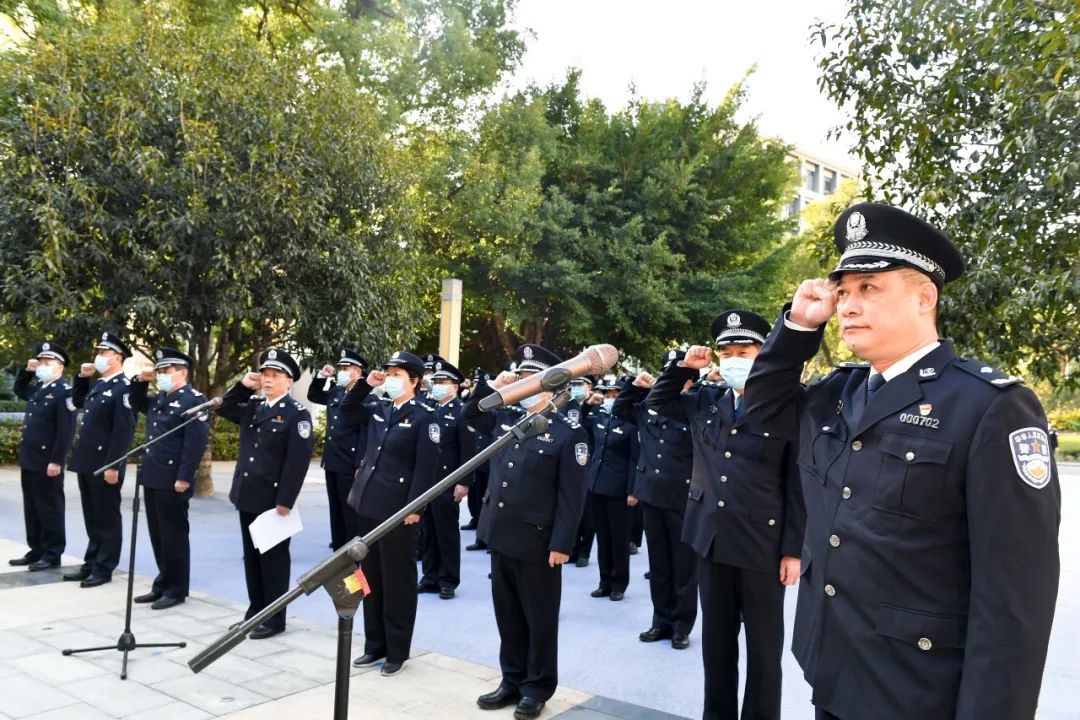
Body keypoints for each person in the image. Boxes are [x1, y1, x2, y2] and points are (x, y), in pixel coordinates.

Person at [745, 203, 1061, 720]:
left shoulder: (990, 406)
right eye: (843, 292)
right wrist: (799, 326)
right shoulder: (838, 393)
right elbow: (762, 408)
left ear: (924, 297)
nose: (848, 306)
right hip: (833, 671)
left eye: (869, 287)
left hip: (916, 690)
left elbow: (1013, 600)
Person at [650, 311, 804, 719]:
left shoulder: (786, 405)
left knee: (764, 652)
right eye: (728, 353)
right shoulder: (706, 400)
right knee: (716, 646)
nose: (734, 359)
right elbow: (657, 402)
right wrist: (684, 367)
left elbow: (797, 483)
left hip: (762, 546)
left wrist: (793, 549)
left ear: (763, 356)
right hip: (711, 540)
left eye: (744, 352)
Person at [466, 344, 589, 720]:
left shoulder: (569, 432)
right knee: (508, 615)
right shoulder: (507, 420)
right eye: (520, 376)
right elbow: (470, 415)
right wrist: (493, 386)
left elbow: (572, 497)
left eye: (529, 378)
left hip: (539, 542)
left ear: (551, 383)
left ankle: (537, 687)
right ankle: (512, 679)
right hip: (501, 534)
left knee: (539, 619)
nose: (523, 383)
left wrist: (562, 544)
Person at [343, 350, 440, 676]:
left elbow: (426, 469)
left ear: (414, 380)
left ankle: (397, 650)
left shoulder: (425, 417)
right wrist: (365, 385)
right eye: (389, 373)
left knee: (398, 582)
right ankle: (375, 645)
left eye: (397, 374)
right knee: (368, 579)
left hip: (399, 511)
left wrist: (415, 508)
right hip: (368, 504)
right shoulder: (379, 407)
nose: (391, 378)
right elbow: (347, 411)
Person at [217, 348, 315, 639]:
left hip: (272, 500)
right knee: (252, 558)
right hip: (247, 493)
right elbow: (224, 408)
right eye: (265, 375)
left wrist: (285, 500)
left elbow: (297, 463)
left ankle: (274, 619)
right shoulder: (254, 406)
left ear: (289, 381)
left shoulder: (297, 415)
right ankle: (255, 612)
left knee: (273, 562)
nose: (268, 380)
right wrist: (242, 386)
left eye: (275, 375)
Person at [615, 350, 697, 649]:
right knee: (659, 565)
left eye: (678, 377)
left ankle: (681, 625)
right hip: (651, 494)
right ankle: (660, 621)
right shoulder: (650, 406)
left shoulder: (694, 409)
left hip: (681, 498)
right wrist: (634, 386)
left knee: (684, 567)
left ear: (690, 382)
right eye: (667, 376)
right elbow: (620, 410)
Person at [128, 347, 211, 609]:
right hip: (153, 475)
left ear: (182, 373)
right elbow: (136, 403)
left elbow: (195, 444)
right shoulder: (160, 398)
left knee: (173, 535)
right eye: (160, 371)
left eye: (166, 370)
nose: (161, 375)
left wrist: (185, 477)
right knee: (158, 535)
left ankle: (176, 589)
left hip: (174, 478)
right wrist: (140, 381)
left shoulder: (193, 400)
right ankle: (162, 583)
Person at [65, 331, 137, 588]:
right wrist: (82, 378)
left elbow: (123, 431)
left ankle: (104, 567)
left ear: (117, 358)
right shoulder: (100, 385)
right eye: (98, 352)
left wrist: (113, 465)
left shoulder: (124, 388)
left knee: (107, 518)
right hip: (87, 461)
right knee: (92, 517)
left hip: (105, 463)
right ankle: (91, 562)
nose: (98, 357)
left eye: (103, 353)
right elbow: (78, 402)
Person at [9, 342, 77, 571]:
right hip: (30, 458)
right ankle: (36, 549)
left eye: (48, 363)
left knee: (49, 508)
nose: (42, 366)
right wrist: (26, 371)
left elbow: (66, 430)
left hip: (48, 461)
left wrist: (57, 460)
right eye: (41, 362)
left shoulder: (64, 392)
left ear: (60, 367)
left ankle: (52, 553)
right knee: (32, 507)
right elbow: (20, 389)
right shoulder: (39, 388)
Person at [420, 358, 471, 599]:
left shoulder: (462, 412)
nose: (438, 385)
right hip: (427, 482)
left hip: (448, 482)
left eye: (443, 382)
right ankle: (430, 576)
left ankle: (448, 580)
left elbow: (468, 452)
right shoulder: (430, 409)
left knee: (446, 533)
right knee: (427, 531)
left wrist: (464, 482)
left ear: (455, 386)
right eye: (436, 381)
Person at [308, 348, 368, 550]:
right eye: (340, 368)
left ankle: (352, 553)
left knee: (350, 513)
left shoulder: (366, 396)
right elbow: (314, 395)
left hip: (350, 463)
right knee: (335, 511)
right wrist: (321, 377)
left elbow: (366, 433)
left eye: (346, 368)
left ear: (358, 372)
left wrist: (360, 463)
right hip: (332, 460)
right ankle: (338, 551)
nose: (341, 371)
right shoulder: (336, 391)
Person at [586, 375, 638, 601]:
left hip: (619, 489)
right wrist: (588, 404)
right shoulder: (600, 418)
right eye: (608, 394)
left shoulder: (631, 424)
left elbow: (635, 459)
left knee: (619, 539)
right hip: (597, 485)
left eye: (615, 395)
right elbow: (583, 427)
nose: (610, 398)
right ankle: (604, 581)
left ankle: (619, 583)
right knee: (603, 537)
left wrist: (632, 490)